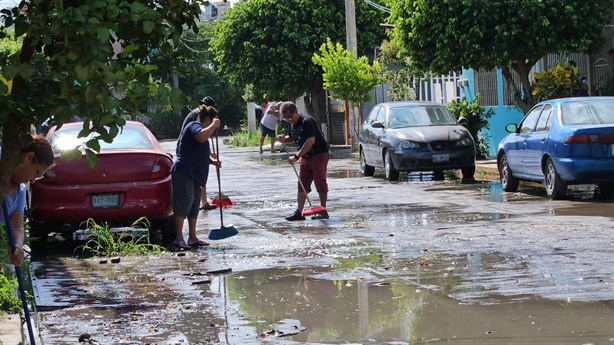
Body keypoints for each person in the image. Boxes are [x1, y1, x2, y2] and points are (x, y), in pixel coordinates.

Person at [171, 105, 221, 250]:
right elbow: (200, 137)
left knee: (194, 206)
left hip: (195, 174)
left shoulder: (204, 131)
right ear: (207, 119)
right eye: (212, 123)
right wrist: (213, 125)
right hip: (184, 171)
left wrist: (212, 162)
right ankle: (178, 238)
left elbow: (198, 152)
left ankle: (193, 238)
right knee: (183, 204)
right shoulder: (194, 125)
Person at [2, 135, 54, 266]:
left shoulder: (20, 189)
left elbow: (17, 226)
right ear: (29, 158)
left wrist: (18, 246)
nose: (32, 180)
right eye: (36, 173)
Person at [277, 101, 330, 221]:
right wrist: (284, 139)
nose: (289, 120)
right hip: (305, 158)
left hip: (318, 155)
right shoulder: (292, 123)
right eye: (286, 118)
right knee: (302, 184)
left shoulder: (307, 121)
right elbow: (292, 137)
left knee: (320, 182)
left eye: (290, 117)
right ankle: (299, 212)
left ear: (296, 111)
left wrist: (296, 156)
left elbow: (310, 141)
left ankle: (323, 210)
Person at [179, 96, 218, 211]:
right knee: (197, 173)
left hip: (191, 145)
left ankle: (202, 201)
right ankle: (200, 202)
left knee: (200, 172)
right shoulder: (198, 114)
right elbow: (200, 135)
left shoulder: (198, 113)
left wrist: (209, 153)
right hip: (188, 147)